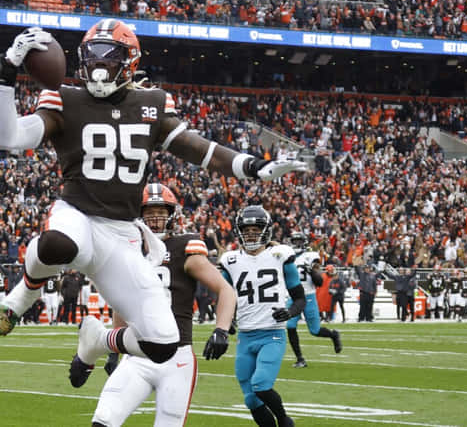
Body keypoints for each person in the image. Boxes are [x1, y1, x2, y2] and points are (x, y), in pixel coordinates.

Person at [0, 22, 305, 372]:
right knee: (59, 243)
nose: (98, 65)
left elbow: (200, 150)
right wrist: (6, 75)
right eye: (92, 56)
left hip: (121, 233)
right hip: (76, 213)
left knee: (163, 344)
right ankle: (23, 295)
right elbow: (7, 138)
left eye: (109, 57)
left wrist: (254, 166)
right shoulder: (66, 98)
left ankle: (96, 341)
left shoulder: (151, 103)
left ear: (130, 61)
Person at [72, 183, 238, 426]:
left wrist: (221, 329)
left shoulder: (185, 248)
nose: (155, 219)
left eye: (161, 213)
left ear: (171, 215)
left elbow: (226, 290)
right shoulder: (129, 251)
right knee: (103, 420)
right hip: (137, 356)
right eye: (149, 213)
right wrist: (115, 353)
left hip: (176, 359)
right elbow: (122, 302)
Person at [219, 206, 306, 427]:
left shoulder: (280, 256)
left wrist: (290, 312)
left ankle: (285, 420)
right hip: (245, 336)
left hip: (272, 334)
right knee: (250, 399)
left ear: (265, 231)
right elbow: (223, 294)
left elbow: (299, 298)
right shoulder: (230, 261)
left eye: (255, 229)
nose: (250, 234)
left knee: (261, 384)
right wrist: (225, 322)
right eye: (245, 229)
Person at [284, 232, 342, 368]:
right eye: (295, 241)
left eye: (299, 241)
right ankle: (300, 359)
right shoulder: (287, 257)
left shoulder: (311, 257)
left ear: (304, 243)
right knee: (290, 326)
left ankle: (333, 335)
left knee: (315, 331)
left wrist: (311, 271)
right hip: (293, 296)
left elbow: (320, 282)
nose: (297, 244)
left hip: (308, 296)